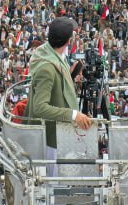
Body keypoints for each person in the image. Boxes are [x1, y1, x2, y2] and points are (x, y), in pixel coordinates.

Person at [27, 17, 95, 154]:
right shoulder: (46, 68)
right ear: (68, 41)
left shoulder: (53, 54)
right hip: (51, 142)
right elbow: (40, 108)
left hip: (60, 135)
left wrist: (69, 77)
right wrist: (74, 115)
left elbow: (56, 86)